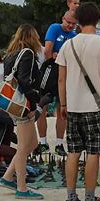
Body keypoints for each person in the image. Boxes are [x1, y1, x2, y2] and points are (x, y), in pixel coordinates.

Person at [56, 3, 100, 201]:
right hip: (95, 106)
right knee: (93, 153)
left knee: (73, 152)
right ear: (97, 19)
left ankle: (71, 196)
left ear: (78, 21)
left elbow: (61, 80)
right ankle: (90, 198)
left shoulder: (68, 45)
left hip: (72, 105)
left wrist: (63, 103)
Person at [0, 25, 44, 199]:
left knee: (31, 143)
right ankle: (21, 188)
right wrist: (33, 102)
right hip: (23, 104)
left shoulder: (11, 54)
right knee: (25, 146)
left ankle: (9, 176)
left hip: (13, 103)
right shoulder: (28, 54)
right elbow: (25, 81)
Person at [36, 10, 78, 156]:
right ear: (63, 19)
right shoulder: (54, 28)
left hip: (66, 76)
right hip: (49, 72)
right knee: (43, 108)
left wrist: (58, 56)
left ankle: (60, 143)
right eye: (68, 23)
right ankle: (42, 142)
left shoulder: (75, 36)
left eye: (74, 24)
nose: (70, 26)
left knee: (62, 110)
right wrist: (58, 57)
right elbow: (48, 52)